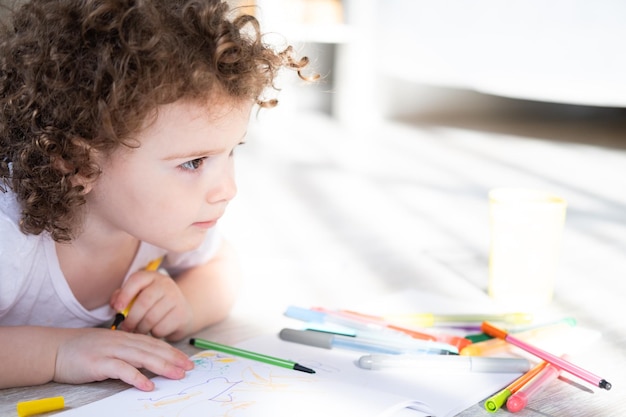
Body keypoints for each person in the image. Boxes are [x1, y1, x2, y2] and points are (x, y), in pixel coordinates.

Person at [0, 0, 312, 391]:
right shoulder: (10, 239)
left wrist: (187, 305)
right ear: (79, 162)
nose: (229, 189)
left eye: (231, 151)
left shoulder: (158, 223)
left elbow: (220, 266)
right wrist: (58, 353)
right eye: (194, 162)